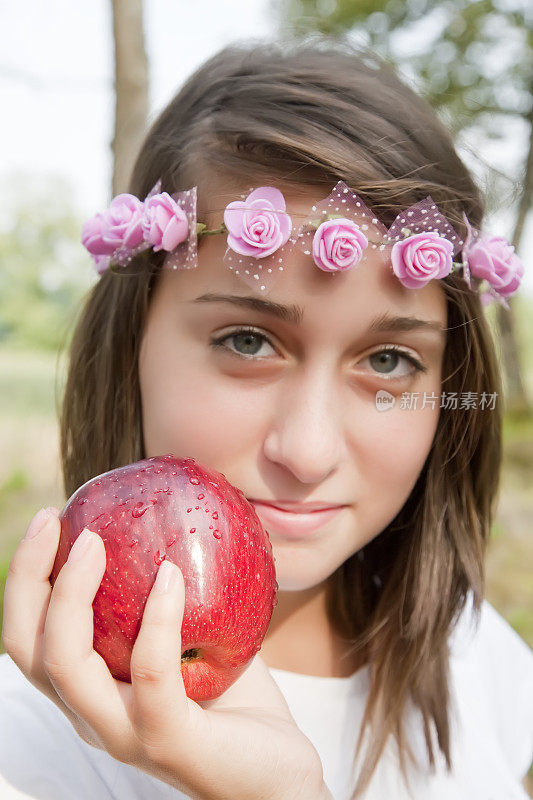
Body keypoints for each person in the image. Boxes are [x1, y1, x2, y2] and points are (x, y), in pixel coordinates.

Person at [1, 36, 532, 800]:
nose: (308, 452)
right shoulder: (25, 754)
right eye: (247, 341)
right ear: (130, 349)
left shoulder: (475, 657)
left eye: (388, 360)